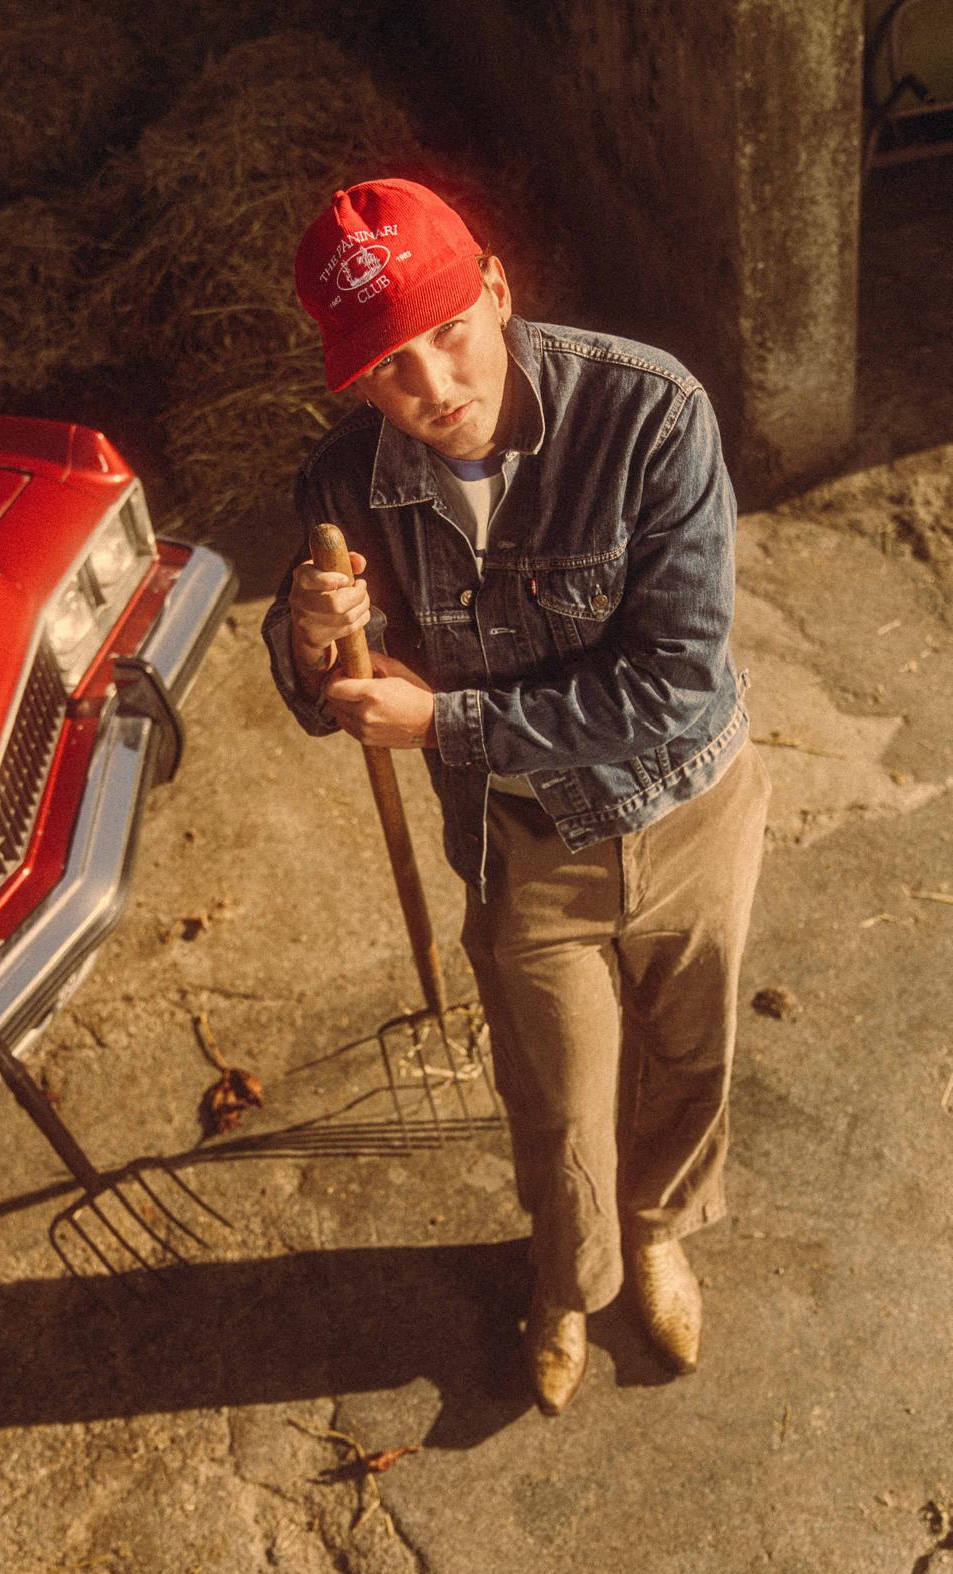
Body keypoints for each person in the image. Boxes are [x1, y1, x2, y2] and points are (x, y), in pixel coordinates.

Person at [262, 177, 770, 1415]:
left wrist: (448, 719)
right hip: (521, 845)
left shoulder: (647, 412)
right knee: (554, 1097)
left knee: (689, 1056)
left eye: (447, 330)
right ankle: (567, 1278)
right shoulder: (341, 487)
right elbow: (318, 690)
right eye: (389, 366)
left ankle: (655, 1230)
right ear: (355, 382)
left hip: (686, 808)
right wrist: (315, 632)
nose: (433, 384)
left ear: (494, 288)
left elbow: (675, 679)